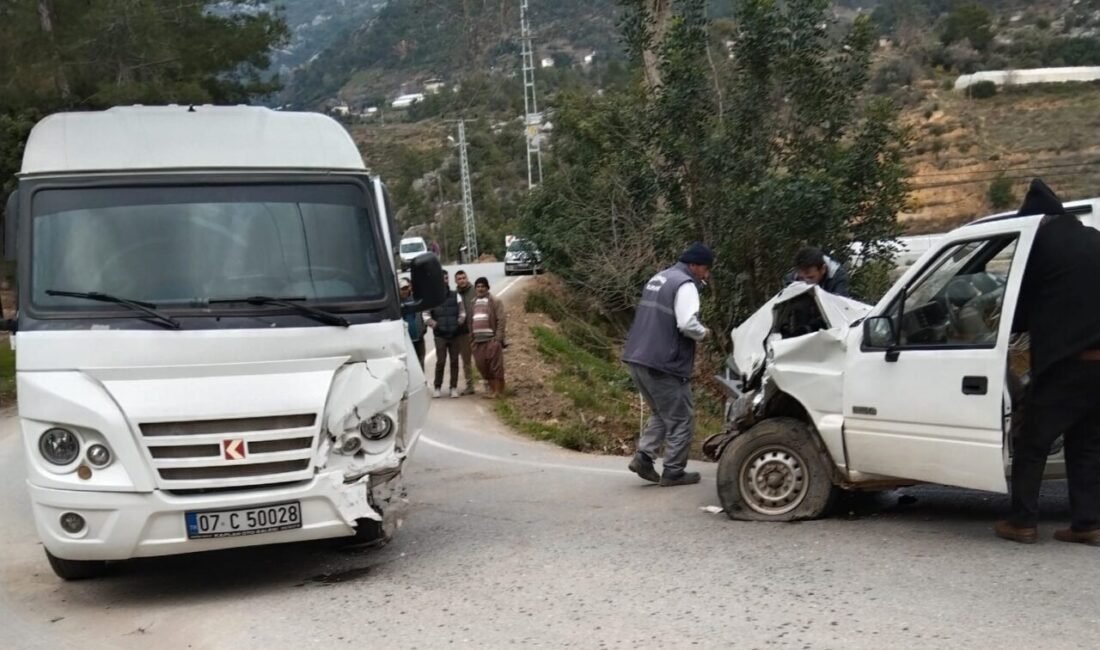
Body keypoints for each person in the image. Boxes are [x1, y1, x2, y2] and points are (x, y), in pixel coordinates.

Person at [995, 179, 1100, 546]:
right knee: (1086, 444)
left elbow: (1019, 311)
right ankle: (1087, 524)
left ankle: (1022, 522)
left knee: (1032, 441)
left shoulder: (1038, 247)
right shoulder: (1094, 239)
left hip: (1065, 364)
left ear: (1034, 221)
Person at [621, 242, 713, 487]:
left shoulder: (660, 278)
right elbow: (687, 324)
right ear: (695, 265)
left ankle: (643, 458)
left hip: (638, 357)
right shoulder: (685, 284)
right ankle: (673, 471)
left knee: (662, 412)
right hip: (663, 362)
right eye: (706, 269)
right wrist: (704, 333)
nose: (706, 275)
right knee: (682, 417)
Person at [425, 271, 466, 399]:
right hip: (440, 335)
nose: (445, 280)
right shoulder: (431, 298)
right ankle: (437, 387)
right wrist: (435, 325)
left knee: (454, 361)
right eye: (442, 278)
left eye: (447, 278)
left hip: (454, 334)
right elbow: (425, 315)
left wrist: (458, 322)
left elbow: (462, 312)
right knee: (441, 361)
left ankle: (453, 387)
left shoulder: (456, 295)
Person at [470, 277, 507, 399]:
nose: (480, 289)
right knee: (482, 366)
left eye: (483, 286)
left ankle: (499, 392)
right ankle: (492, 390)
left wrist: (498, 339)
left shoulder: (495, 301)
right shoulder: (473, 302)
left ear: (487, 288)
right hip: (477, 341)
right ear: (475, 289)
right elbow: (470, 322)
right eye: (478, 287)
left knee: (495, 366)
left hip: (491, 340)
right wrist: (472, 340)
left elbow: (501, 320)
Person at [784, 247, 851, 298]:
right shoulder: (791, 278)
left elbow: (841, 304)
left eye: (811, 277)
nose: (806, 282)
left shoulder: (838, 278)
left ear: (823, 269)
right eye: (801, 278)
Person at [454, 269, 478, 395]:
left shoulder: (475, 291)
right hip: (462, 333)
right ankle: (470, 386)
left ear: (467, 278)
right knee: (466, 361)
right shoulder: (454, 295)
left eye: (464, 278)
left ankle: (488, 384)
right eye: (459, 279)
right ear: (456, 281)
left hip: (477, 331)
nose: (462, 280)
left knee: (481, 359)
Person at [399, 278, 426, 369]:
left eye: (406, 288)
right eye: (402, 289)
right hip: (406, 341)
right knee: (409, 365)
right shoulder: (396, 304)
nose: (405, 291)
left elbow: (423, 314)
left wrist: (423, 328)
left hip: (419, 339)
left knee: (421, 362)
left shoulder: (416, 300)